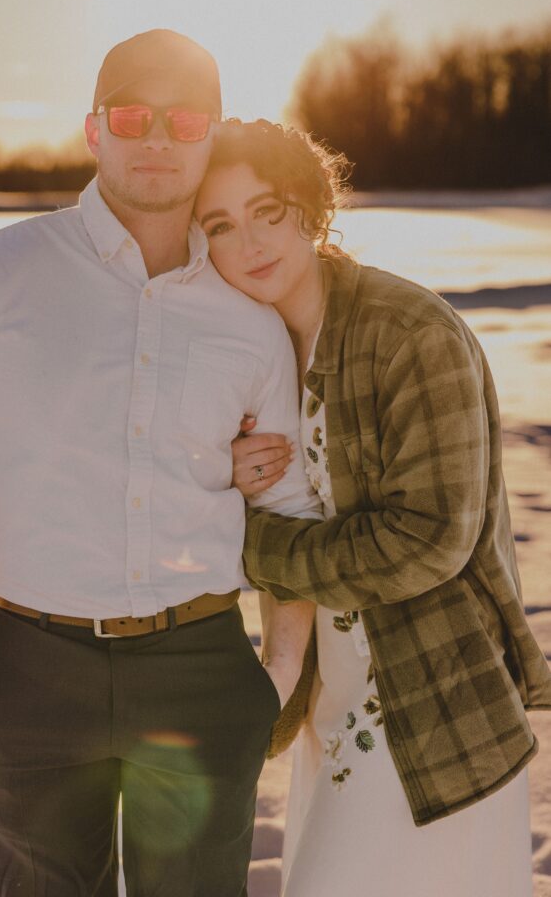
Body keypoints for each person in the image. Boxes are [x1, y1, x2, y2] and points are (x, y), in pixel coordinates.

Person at [0, 32, 320, 897]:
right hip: (29, 674)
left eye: (183, 119)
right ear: (93, 131)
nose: (156, 138)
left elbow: (290, 501)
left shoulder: (248, 317)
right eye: (131, 116)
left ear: (209, 135)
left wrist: (279, 673)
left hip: (201, 668)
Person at [194, 118, 551, 896]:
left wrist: (252, 543)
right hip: (334, 705)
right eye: (220, 225)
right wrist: (219, 474)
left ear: (310, 207)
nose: (248, 242)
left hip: (433, 704)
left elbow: (427, 540)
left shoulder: (407, 331)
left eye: (267, 210)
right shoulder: (252, 353)